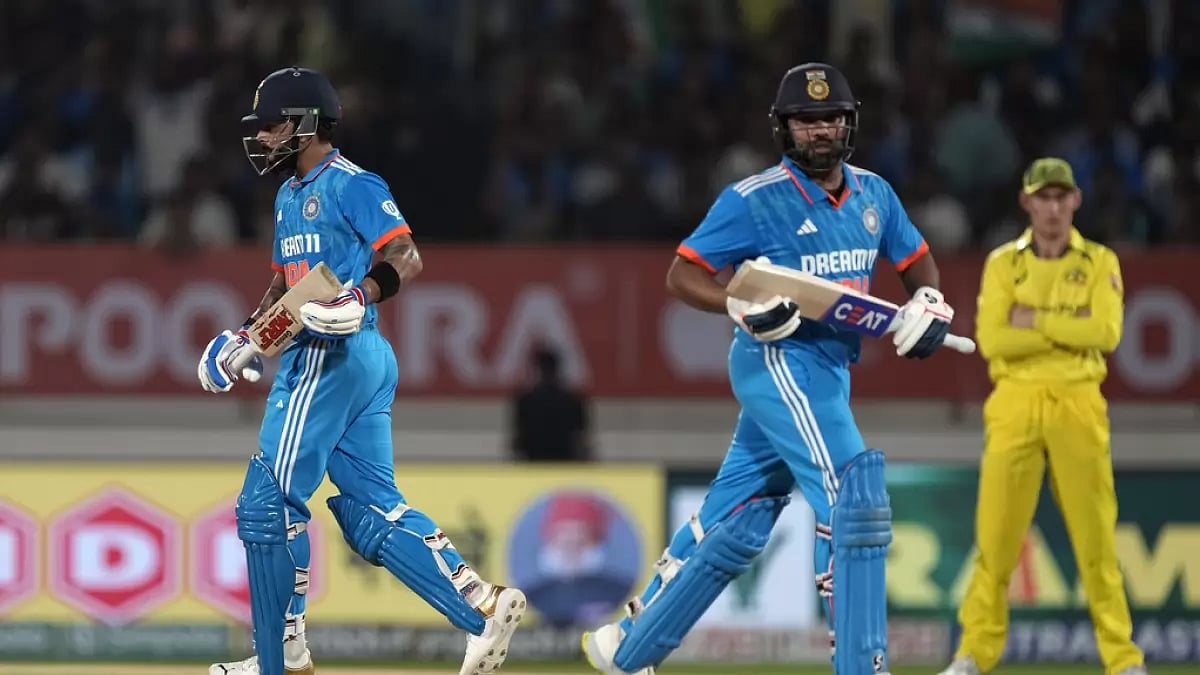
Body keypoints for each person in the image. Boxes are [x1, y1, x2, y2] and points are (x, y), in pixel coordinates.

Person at [582, 62, 962, 675]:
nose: (820, 131)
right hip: (777, 360)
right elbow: (682, 274)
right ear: (785, 130)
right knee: (854, 506)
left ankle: (626, 648)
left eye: (830, 119)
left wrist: (926, 301)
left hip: (830, 370)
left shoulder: (875, 195)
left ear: (850, 124)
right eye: (805, 122)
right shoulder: (754, 200)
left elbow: (918, 264)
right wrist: (739, 303)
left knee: (738, 522)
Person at [197, 66, 525, 675]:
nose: (261, 139)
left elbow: (406, 255)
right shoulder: (288, 196)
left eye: (271, 127)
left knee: (268, 503)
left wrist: (358, 297)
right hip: (349, 362)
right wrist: (248, 337)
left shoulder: (351, 183)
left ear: (306, 124)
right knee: (370, 508)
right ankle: (482, 608)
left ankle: (280, 661)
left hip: (331, 359)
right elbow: (286, 285)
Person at [938, 158, 1147, 675]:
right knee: (995, 544)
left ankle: (1123, 661)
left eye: (1061, 197)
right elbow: (992, 339)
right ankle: (972, 656)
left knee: (1097, 543)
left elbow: (1105, 334)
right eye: (1043, 197)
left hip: (1078, 404)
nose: (1052, 208)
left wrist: (1033, 320)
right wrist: (1068, 323)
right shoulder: (1002, 264)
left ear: (1075, 200)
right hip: (1014, 405)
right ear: (1026, 201)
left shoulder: (1100, 261)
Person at [510, 346, 592, 462]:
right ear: (557, 370)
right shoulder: (573, 400)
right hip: (565, 464)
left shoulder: (525, 400)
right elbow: (582, 439)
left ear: (538, 371)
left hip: (534, 464)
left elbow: (518, 440)